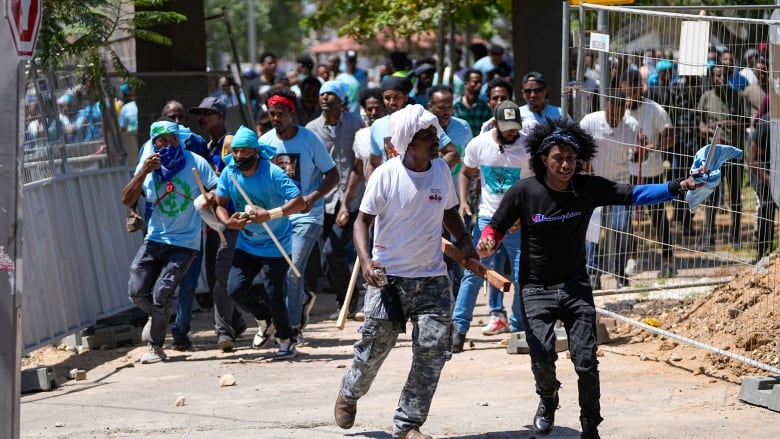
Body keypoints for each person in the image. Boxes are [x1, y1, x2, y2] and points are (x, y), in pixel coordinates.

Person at [476, 118, 699, 439]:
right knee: (541, 355)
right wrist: (488, 240)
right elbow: (495, 226)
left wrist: (679, 186)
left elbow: (634, 194)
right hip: (535, 287)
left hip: (575, 286)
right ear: (543, 159)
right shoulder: (524, 191)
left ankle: (590, 424)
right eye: (558, 158)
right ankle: (548, 399)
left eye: (571, 158)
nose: (566, 164)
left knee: (586, 361)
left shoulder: (587, 187)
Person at [334, 104, 476, 439]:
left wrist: (465, 240)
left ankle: (407, 424)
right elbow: (362, 221)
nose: (435, 141)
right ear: (409, 143)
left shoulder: (441, 169)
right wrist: (367, 262)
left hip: (431, 278)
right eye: (428, 136)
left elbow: (450, 211)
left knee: (432, 351)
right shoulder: (386, 175)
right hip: (389, 280)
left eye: (435, 135)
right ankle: (350, 392)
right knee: (373, 351)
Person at [121, 120, 218, 363]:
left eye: (172, 139)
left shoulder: (196, 162)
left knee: (161, 291)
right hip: (155, 238)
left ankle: (156, 347)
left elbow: (219, 189)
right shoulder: (149, 166)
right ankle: (158, 314)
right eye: (161, 140)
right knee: (135, 292)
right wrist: (143, 171)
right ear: (154, 143)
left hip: (185, 241)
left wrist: (210, 199)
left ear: (179, 140)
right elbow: (126, 199)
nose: (167, 144)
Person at [215, 125, 305, 359]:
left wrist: (270, 214)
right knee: (234, 288)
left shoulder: (272, 172)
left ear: (255, 152)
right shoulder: (230, 173)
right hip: (246, 242)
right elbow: (219, 204)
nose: (239, 156)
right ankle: (264, 319)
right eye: (235, 151)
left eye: (244, 152)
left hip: (276, 242)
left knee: (274, 292)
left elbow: (299, 201)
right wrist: (228, 223)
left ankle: (285, 340)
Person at [260, 87, 339, 345]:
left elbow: (332, 175)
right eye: (272, 114)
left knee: (293, 268)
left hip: (308, 216)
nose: (275, 119)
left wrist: (312, 199)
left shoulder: (309, 139)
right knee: (278, 272)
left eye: (280, 113)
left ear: (292, 114)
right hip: (277, 217)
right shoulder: (265, 144)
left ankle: (292, 328)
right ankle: (300, 302)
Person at [451, 100, 530, 352]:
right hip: (488, 219)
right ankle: (458, 329)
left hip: (520, 221)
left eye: (515, 127)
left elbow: (539, 183)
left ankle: (518, 330)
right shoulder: (479, 144)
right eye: (506, 127)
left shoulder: (528, 146)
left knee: (523, 276)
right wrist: (463, 202)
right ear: (494, 123)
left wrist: (523, 214)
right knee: (474, 271)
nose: (511, 132)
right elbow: (465, 173)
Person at [306, 81, 365, 319]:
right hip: (323, 199)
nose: (325, 98)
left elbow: (357, 165)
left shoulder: (354, 123)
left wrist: (344, 205)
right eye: (322, 94)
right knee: (327, 257)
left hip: (351, 199)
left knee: (333, 251)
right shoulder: (311, 129)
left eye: (330, 94)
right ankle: (346, 300)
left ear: (341, 101)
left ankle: (352, 298)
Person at [620, 69, 677, 277]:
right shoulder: (620, 110)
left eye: (634, 90)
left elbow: (670, 136)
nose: (630, 96)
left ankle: (668, 260)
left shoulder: (654, 109)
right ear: (622, 88)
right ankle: (631, 258)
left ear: (640, 87)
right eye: (627, 91)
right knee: (629, 219)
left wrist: (653, 147)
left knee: (658, 217)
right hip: (626, 173)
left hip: (651, 172)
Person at [579, 91, 639, 288]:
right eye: (612, 113)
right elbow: (578, 148)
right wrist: (587, 170)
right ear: (606, 106)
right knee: (593, 230)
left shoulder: (632, 126)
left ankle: (619, 273)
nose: (615, 118)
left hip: (618, 183)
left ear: (624, 111)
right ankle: (592, 274)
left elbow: (639, 151)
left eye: (619, 114)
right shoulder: (589, 122)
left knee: (622, 227)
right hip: (593, 183)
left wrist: (642, 152)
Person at [696, 65, 749, 251]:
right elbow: (701, 124)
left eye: (724, 74)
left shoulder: (739, 97)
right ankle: (708, 238)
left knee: (735, 196)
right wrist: (708, 129)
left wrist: (724, 123)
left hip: (733, 153)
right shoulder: (706, 98)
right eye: (717, 75)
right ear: (711, 77)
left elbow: (746, 123)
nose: (721, 78)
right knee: (710, 196)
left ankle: (735, 237)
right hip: (714, 156)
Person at [366, 76, 460, 180]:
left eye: (397, 97)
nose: (392, 102)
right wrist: (371, 186)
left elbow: (453, 154)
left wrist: (431, 176)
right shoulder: (377, 126)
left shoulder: (422, 121)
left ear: (406, 97)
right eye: (387, 98)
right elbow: (373, 164)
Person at [747, 111, 775, 261]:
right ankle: (762, 254)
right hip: (763, 174)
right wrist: (770, 180)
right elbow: (751, 160)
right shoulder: (766, 123)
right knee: (766, 209)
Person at [454, 68, 492, 137]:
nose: (479, 85)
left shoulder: (485, 108)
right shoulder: (455, 106)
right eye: (475, 82)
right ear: (466, 84)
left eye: (480, 82)